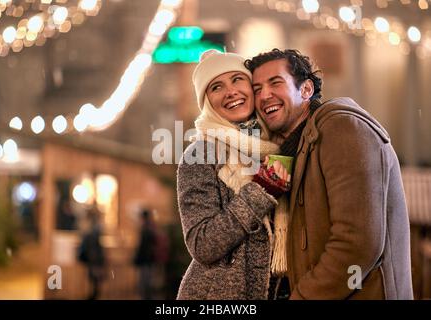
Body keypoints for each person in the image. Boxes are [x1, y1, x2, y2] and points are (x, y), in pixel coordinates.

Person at [245, 48, 414, 299]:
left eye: (275, 83)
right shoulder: (295, 147)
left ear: (306, 90)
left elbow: (356, 245)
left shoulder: (341, 128)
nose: (264, 95)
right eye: (257, 89)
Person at [176, 50, 290, 300]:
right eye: (216, 86)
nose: (231, 91)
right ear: (207, 101)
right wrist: (260, 191)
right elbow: (202, 244)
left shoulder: (279, 142)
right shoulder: (200, 154)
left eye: (238, 79)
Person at [77, 207, 106, 300]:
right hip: (94, 257)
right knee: (94, 279)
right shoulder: (95, 227)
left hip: (92, 257)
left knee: (94, 279)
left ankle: (92, 296)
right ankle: (93, 295)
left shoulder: (90, 227)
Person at [133, 208, 158, 299]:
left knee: (144, 284)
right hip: (151, 260)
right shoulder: (152, 227)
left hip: (145, 261)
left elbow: (142, 247)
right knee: (149, 282)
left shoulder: (145, 229)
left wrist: (136, 259)